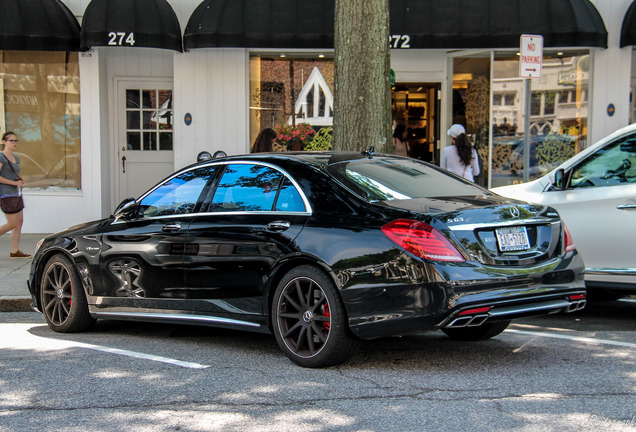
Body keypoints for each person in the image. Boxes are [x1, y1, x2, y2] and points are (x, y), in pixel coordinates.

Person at [0, 131, 30, 258]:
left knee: (19, 222)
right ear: (4, 142)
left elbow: (14, 173)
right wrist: (14, 183)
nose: (14, 143)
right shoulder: (1, 157)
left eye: (16, 140)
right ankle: (14, 251)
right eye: (11, 140)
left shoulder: (16, 157)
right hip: (6, 194)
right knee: (12, 224)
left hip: (15, 193)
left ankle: (15, 251)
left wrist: (20, 178)